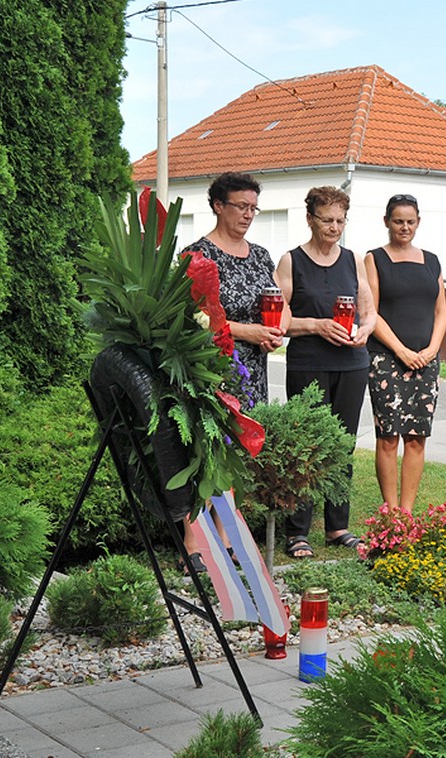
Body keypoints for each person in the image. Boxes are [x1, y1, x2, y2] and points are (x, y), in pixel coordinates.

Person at [181, 171, 290, 571]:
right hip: (212, 366)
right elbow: (193, 316)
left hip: (254, 369)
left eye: (253, 208)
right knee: (206, 449)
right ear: (217, 206)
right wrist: (248, 330)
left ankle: (226, 535)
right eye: (241, 206)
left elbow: (278, 297)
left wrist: (277, 328)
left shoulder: (260, 254)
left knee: (240, 450)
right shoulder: (197, 254)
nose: (248, 214)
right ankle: (193, 538)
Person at [276, 186, 378, 559]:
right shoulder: (291, 261)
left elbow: (369, 310)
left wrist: (365, 331)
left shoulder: (353, 260)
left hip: (352, 364)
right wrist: (317, 326)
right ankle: (297, 532)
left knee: (341, 446)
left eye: (340, 220)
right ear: (310, 219)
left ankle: (338, 527)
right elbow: (278, 318)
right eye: (327, 220)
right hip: (307, 363)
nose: (334, 227)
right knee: (306, 446)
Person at [365, 194, 446, 513]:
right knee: (389, 436)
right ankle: (390, 511)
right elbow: (371, 312)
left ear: (418, 222)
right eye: (398, 221)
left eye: (410, 221)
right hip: (386, 359)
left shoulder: (432, 261)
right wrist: (401, 350)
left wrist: (430, 350)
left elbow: (441, 312)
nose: (405, 227)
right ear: (386, 221)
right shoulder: (374, 258)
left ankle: (407, 513)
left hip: (426, 362)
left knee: (417, 437)